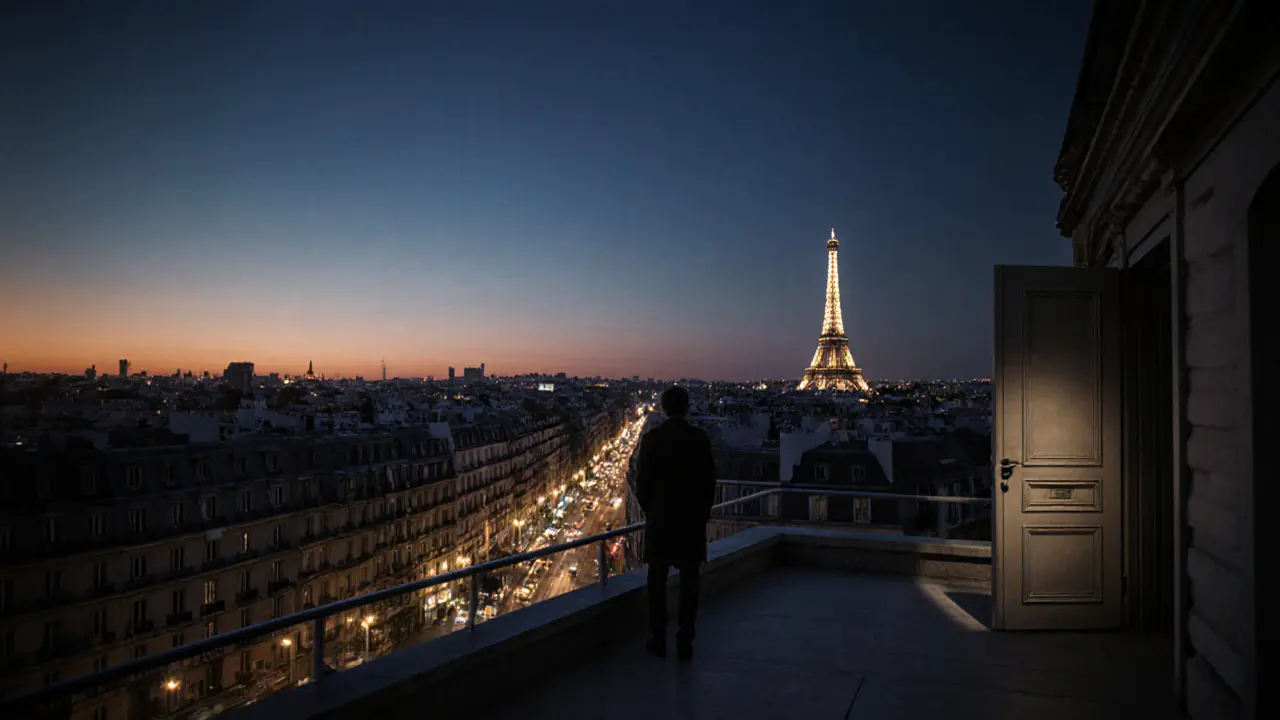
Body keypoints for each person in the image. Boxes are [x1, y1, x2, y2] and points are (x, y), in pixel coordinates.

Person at [635, 386, 716, 660]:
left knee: (656, 582)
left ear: (664, 408)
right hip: (690, 522)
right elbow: (709, 484)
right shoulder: (700, 439)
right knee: (690, 582)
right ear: (687, 407)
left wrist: (653, 511)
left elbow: (641, 485)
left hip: (660, 521)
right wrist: (701, 514)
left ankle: (658, 639)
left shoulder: (651, 440)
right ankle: (685, 640)